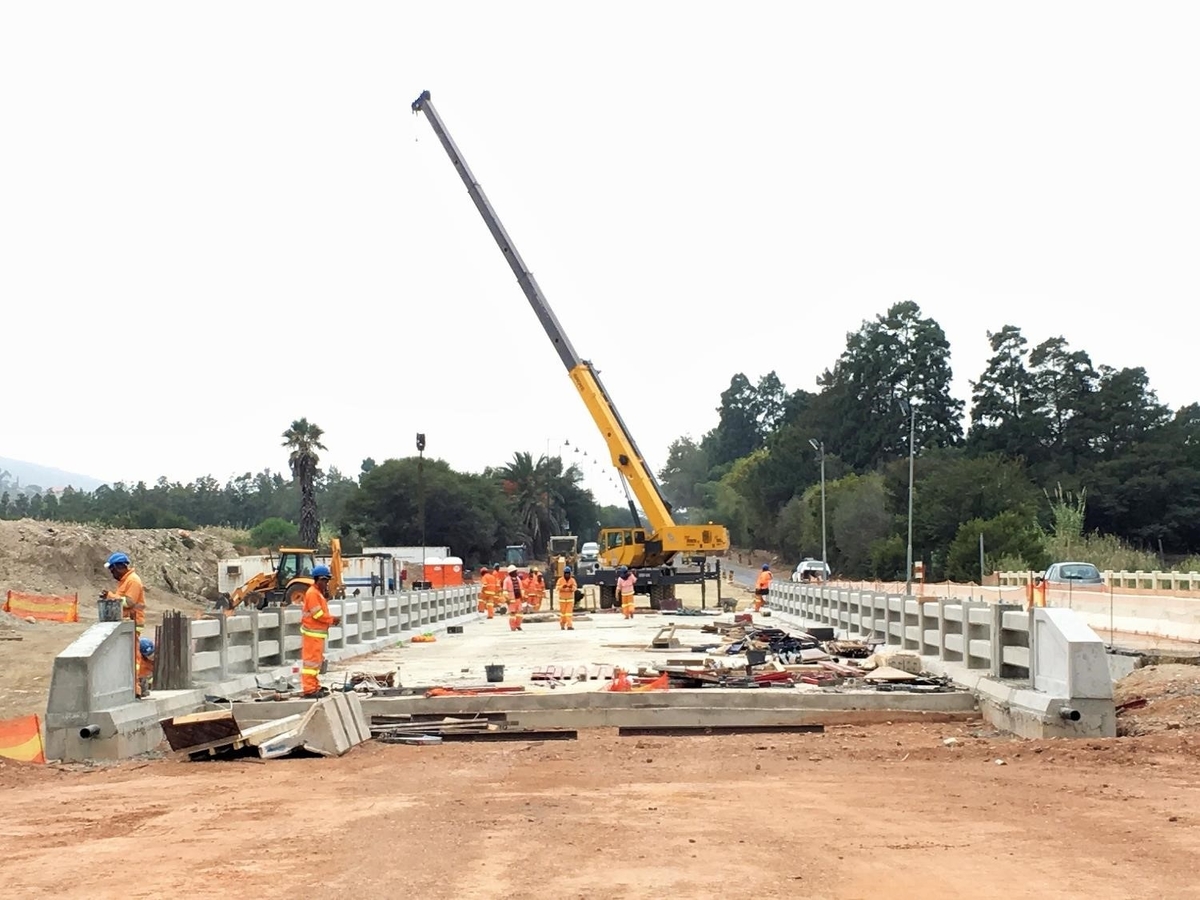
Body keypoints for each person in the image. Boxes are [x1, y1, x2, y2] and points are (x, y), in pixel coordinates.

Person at [102, 552, 148, 698]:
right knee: (125, 657)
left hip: (133, 623)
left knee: (133, 658)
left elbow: (129, 602)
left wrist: (110, 596)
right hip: (127, 623)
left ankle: (136, 689)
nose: (112, 573)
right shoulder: (125, 580)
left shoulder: (133, 581)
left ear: (119, 566)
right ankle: (130, 687)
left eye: (113, 570)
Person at [299, 565, 341, 697]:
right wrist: (332, 619)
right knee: (311, 664)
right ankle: (309, 689)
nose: (326, 584)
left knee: (315, 663)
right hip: (312, 634)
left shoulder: (317, 593)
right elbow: (317, 615)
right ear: (319, 580)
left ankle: (314, 686)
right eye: (325, 581)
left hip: (316, 634)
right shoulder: (312, 594)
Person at [555, 566, 578, 631]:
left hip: (570, 600)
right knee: (563, 614)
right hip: (562, 600)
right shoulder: (560, 580)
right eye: (566, 573)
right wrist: (563, 587)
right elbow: (557, 588)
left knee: (569, 614)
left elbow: (575, 588)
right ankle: (562, 625)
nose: (567, 574)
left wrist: (570, 588)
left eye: (568, 573)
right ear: (564, 573)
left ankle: (569, 625)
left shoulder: (572, 580)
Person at [504, 565, 523, 632]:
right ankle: (513, 626)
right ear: (511, 572)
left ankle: (518, 625)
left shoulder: (518, 579)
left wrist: (522, 597)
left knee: (519, 613)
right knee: (512, 614)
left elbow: (521, 589)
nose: (516, 573)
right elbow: (505, 591)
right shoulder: (507, 580)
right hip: (511, 600)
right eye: (514, 572)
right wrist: (507, 599)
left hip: (518, 599)